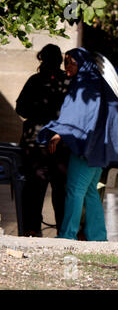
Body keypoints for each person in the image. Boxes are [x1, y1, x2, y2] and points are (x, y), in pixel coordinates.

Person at [37, 47, 118, 241]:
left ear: (82, 63)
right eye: (66, 62)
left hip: (86, 148)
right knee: (90, 192)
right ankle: (97, 236)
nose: (67, 66)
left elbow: (79, 116)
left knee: (75, 190)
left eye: (71, 62)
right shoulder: (95, 82)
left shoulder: (84, 84)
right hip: (97, 148)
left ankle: (68, 234)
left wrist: (58, 134)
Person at [15, 44, 70, 237]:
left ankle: (31, 230)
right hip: (60, 142)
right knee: (60, 189)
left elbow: (20, 109)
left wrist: (37, 114)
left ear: (42, 59)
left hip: (34, 142)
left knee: (33, 189)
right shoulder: (68, 82)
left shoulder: (34, 81)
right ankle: (63, 231)